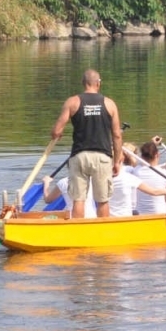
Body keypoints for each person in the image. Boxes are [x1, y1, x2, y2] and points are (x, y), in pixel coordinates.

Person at [49, 69, 123, 219]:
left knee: (78, 199)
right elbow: (116, 135)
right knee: (102, 200)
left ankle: (79, 230)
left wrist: (58, 133)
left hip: (79, 156)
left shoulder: (73, 102)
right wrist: (117, 161)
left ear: (83, 83)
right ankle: (103, 229)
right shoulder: (110, 104)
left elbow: (56, 131)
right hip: (102, 157)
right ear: (98, 84)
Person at [130, 140, 166, 215]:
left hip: (141, 214)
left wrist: (152, 143)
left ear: (142, 156)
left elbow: (136, 161)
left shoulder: (136, 170)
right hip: (159, 213)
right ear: (157, 155)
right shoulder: (165, 174)